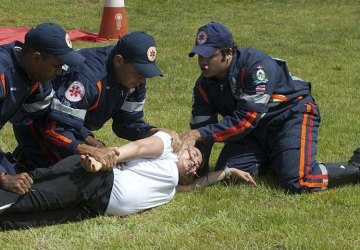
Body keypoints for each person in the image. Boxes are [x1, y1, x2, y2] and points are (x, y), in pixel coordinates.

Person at [180, 22, 360, 193]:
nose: (203, 61)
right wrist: (196, 168)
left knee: (298, 180)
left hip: (289, 115)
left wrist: (199, 134)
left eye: (210, 55)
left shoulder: (257, 68)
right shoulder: (203, 86)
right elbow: (201, 131)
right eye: (200, 55)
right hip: (255, 131)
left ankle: (356, 167)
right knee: (229, 173)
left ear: (228, 53)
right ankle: (278, 157)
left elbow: (245, 121)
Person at [0, 131, 255, 230]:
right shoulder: (166, 147)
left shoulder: (173, 187)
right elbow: (136, 148)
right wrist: (101, 162)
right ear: (183, 148)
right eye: (194, 154)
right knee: (29, 198)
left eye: (197, 166)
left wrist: (229, 172)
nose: (195, 162)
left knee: (26, 220)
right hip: (95, 179)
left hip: (94, 206)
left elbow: (198, 184)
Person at [12, 31, 181, 171]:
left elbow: (127, 123)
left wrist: (157, 132)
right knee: (63, 176)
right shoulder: (88, 79)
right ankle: (21, 163)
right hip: (38, 123)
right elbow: (55, 131)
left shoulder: (135, 80)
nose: (141, 80)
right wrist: (89, 148)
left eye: (145, 74)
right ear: (119, 61)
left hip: (70, 123)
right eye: (139, 73)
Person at [0, 22, 85, 195]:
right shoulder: (3, 73)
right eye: (57, 65)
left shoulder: (35, 76)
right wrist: (2, 177)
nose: (60, 72)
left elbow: (45, 117)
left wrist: (85, 143)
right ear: (36, 57)